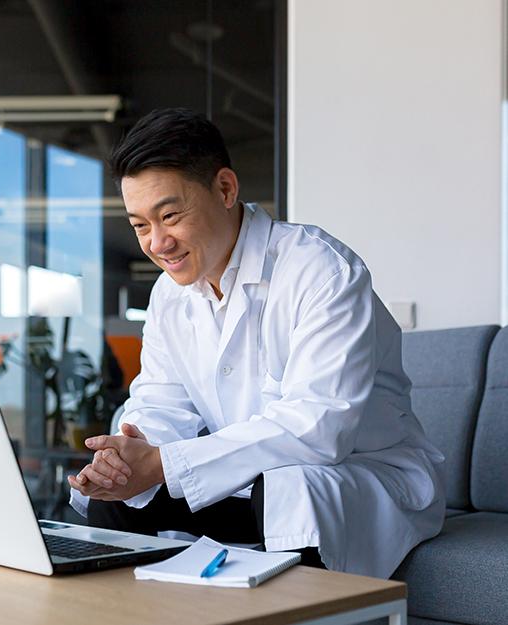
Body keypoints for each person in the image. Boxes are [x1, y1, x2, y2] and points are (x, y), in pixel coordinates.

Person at [66, 108, 444, 578]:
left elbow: (318, 427)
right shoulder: (169, 294)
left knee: (291, 492)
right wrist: (127, 457)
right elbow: (161, 404)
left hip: (358, 474)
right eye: (140, 225)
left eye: (169, 215)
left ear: (225, 189)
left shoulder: (321, 271)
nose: (157, 243)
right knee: (120, 501)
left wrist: (165, 463)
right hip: (246, 482)